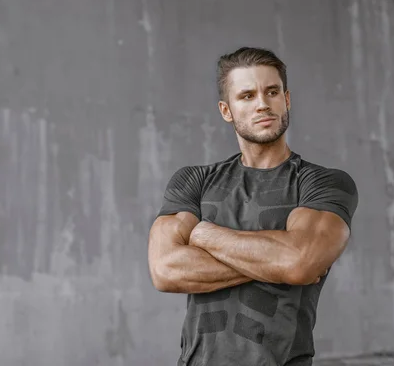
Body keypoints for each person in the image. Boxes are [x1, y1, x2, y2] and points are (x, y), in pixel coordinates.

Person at [147, 47, 359, 366]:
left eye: (272, 92)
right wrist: (276, 262)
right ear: (226, 110)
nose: (262, 103)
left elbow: (299, 263)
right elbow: (165, 270)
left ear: (286, 99)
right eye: (247, 96)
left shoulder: (322, 182)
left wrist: (203, 236)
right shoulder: (195, 180)